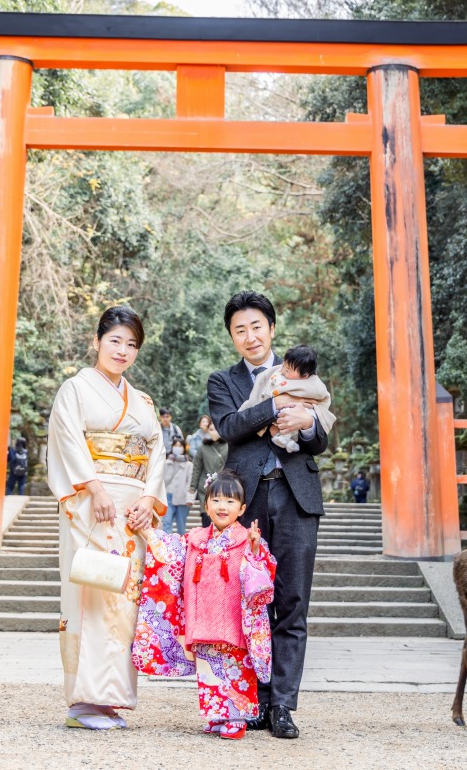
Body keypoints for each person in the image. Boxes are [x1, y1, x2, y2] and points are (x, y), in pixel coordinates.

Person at [206, 290, 328, 740]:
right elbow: (230, 427)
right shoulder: (223, 381)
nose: (250, 336)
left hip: (297, 498)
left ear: (272, 328)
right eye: (240, 330)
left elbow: (320, 438)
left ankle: (282, 705)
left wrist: (309, 424)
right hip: (246, 501)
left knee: (292, 602)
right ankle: (252, 700)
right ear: (233, 337)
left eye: (257, 326)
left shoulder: (303, 371)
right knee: (248, 602)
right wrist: (276, 405)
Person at [46, 306, 166, 731]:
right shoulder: (74, 390)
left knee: (125, 600)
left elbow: (156, 451)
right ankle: (83, 702)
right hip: (92, 506)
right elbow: (68, 442)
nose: (122, 350)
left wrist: (150, 499)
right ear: (96, 341)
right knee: (91, 595)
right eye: (114, 340)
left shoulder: (142, 401)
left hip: (132, 513)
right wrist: (94, 489)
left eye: (131, 344)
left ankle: (111, 699)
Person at [132, 471, 277, 740]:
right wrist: (148, 532)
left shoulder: (248, 540)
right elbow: (168, 550)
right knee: (209, 666)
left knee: (234, 665)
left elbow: (263, 577)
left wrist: (256, 552)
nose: (223, 507)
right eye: (217, 500)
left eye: (231, 502)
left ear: (242, 509)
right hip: (203, 617)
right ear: (206, 505)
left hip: (234, 620)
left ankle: (236, 716)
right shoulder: (196, 539)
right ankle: (216, 713)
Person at [237, 344, 336, 453]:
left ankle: (287, 439)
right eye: (283, 365)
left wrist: (308, 421)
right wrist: (277, 401)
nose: (283, 371)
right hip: (270, 419)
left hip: (301, 415)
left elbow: (321, 398)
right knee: (275, 426)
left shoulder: (314, 384)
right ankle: (285, 439)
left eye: (288, 370)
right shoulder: (272, 374)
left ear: (304, 375)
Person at [190, 416, 228, 528]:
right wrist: (193, 485)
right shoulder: (203, 448)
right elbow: (197, 467)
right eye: (211, 429)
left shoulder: (228, 446)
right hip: (205, 487)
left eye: (216, 429)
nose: (214, 432)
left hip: (223, 486)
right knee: (206, 516)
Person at [163, 436, 194, 535]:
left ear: (184, 448)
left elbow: (191, 483)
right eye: (175, 445)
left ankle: (181, 546)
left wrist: (190, 498)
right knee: (166, 522)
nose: (177, 447)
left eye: (180, 445)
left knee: (181, 525)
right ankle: (167, 546)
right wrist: (170, 463)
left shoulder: (189, 465)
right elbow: (164, 480)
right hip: (168, 495)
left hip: (182, 498)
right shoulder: (167, 462)